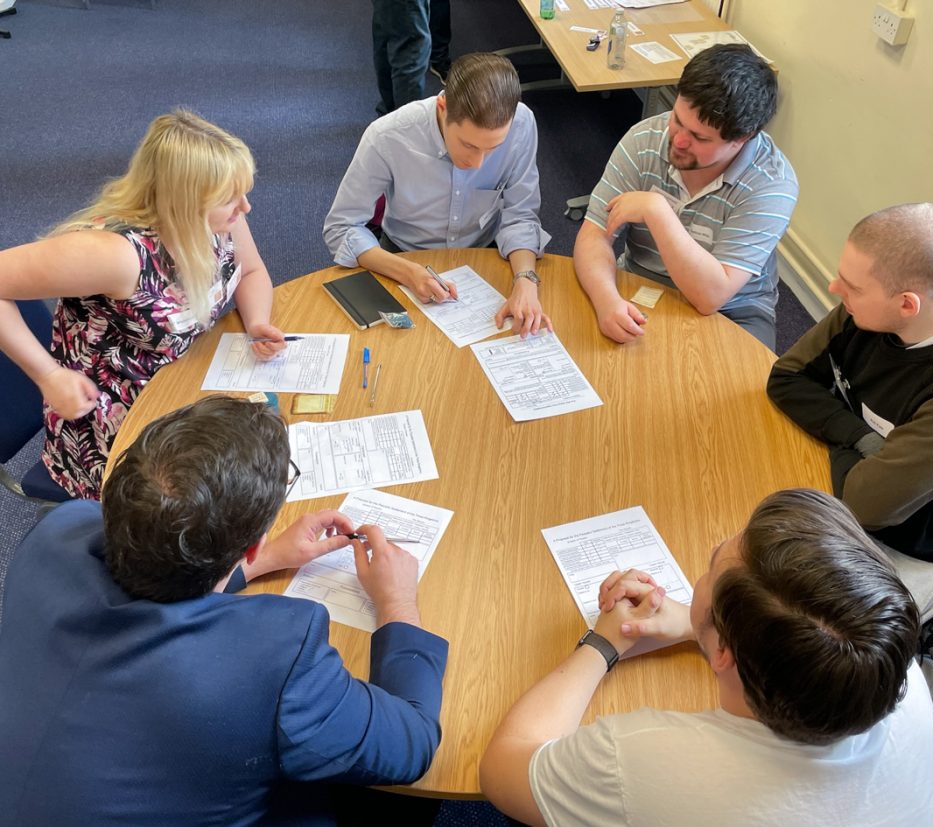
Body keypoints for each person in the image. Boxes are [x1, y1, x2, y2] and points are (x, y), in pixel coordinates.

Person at [0, 396, 448, 824]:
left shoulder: (58, 529)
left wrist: (267, 562)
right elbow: (411, 744)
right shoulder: (273, 661)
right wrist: (397, 602)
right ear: (252, 545)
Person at [480, 489, 933, 827]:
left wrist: (604, 643)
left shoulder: (645, 761)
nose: (711, 552)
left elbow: (503, 769)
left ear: (725, 651)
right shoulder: (883, 648)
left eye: (713, 564)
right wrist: (696, 626)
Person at [767, 203, 933, 716]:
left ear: (908, 304)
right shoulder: (870, 306)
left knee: (810, 671)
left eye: (852, 287)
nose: (835, 291)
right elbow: (787, 379)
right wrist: (864, 443)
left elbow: (868, 504)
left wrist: (864, 463)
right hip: (862, 483)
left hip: (928, 540)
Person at [0, 109, 286, 501]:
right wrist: (48, 375)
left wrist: (256, 323)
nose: (245, 208)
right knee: (227, 501)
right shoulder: (115, 255)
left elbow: (250, 271)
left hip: (182, 382)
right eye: (230, 199)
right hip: (113, 420)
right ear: (184, 202)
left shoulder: (219, 218)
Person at [574, 44, 797, 351]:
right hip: (642, 280)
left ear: (741, 140)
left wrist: (657, 211)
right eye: (678, 119)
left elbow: (709, 297)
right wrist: (607, 300)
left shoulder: (772, 184)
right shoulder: (645, 139)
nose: (677, 139)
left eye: (700, 137)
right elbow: (593, 236)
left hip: (733, 308)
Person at [325, 52, 552, 337]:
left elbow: (520, 215)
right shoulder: (388, 136)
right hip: (403, 255)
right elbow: (341, 227)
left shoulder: (521, 125)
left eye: (493, 148)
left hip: (485, 254)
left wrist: (526, 281)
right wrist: (407, 271)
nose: (479, 163)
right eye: (469, 145)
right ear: (443, 107)